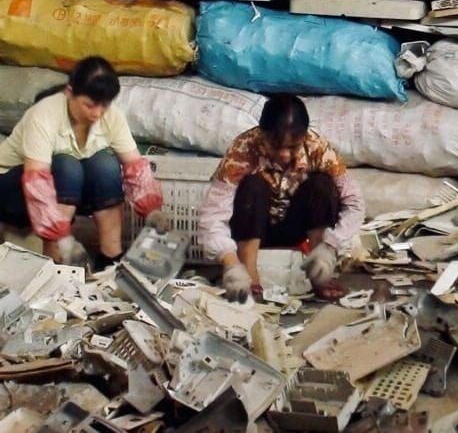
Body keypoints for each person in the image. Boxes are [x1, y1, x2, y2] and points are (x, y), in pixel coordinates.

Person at [0, 56, 167, 269]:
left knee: (105, 165)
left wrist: (152, 210)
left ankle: (111, 260)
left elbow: (134, 165)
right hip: (12, 191)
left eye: (103, 106)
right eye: (89, 105)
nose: (97, 113)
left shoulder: (111, 117)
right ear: (70, 93)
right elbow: (37, 181)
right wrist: (63, 238)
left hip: (66, 190)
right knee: (65, 166)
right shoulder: (44, 114)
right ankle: (58, 261)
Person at [198, 94, 365, 302]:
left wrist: (330, 246)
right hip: (254, 228)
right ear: (262, 135)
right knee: (253, 185)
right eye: (275, 146)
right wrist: (230, 263)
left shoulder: (317, 148)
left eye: (293, 147)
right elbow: (212, 216)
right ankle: (249, 275)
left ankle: (319, 271)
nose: (284, 154)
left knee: (322, 184)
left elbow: (355, 203)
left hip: (296, 228)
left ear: (304, 137)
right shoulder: (243, 150)